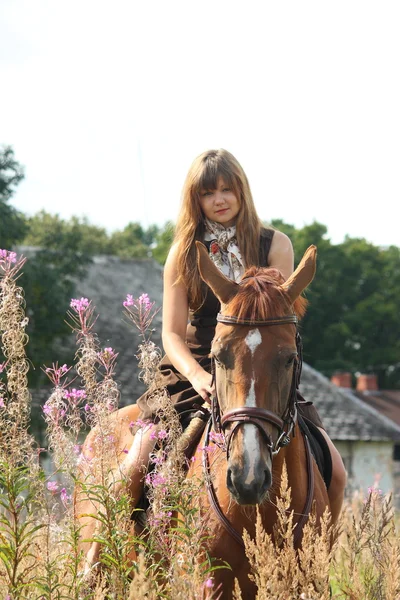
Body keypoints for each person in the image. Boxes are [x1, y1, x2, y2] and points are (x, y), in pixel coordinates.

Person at [84, 148, 346, 569]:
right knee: (138, 458)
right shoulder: (183, 252)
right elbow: (170, 334)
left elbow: (282, 319)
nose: (220, 199)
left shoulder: (275, 244)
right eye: (209, 193)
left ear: (241, 190)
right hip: (194, 369)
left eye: (227, 189)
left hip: (258, 367)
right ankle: (95, 560)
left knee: (334, 467)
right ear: (196, 199)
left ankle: (315, 560)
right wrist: (198, 377)